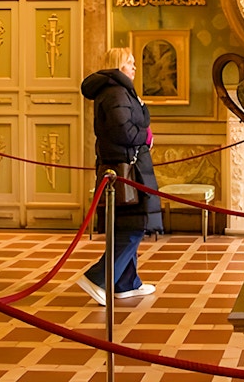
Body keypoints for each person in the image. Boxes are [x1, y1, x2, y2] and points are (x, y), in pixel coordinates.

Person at [77, 47, 163, 305]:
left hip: (128, 166)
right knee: (134, 227)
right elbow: (122, 131)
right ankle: (98, 278)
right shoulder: (116, 92)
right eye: (130, 63)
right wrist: (146, 137)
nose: (135, 67)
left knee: (128, 225)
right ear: (118, 66)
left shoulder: (118, 90)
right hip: (127, 169)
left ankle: (126, 283)